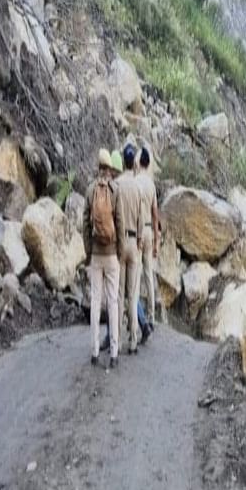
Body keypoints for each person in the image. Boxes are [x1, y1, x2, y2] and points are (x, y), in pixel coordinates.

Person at [87, 149, 122, 370]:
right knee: (113, 302)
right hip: (111, 255)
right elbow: (119, 221)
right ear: (109, 169)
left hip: (95, 255)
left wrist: (88, 250)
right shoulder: (114, 190)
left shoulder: (90, 190)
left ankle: (94, 351)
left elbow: (84, 223)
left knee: (95, 302)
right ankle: (115, 353)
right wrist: (117, 251)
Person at [115, 142, 145, 354]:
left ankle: (116, 339)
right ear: (133, 161)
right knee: (132, 294)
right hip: (134, 243)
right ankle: (133, 338)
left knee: (117, 294)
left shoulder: (116, 185)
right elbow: (142, 218)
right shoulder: (137, 186)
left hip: (119, 243)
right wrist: (141, 239)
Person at [136, 146, 162, 332]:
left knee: (136, 276)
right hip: (149, 231)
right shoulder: (151, 185)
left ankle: (139, 318)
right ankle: (152, 316)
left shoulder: (136, 182)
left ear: (138, 162)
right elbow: (155, 214)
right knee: (148, 275)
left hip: (138, 231)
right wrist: (157, 239)